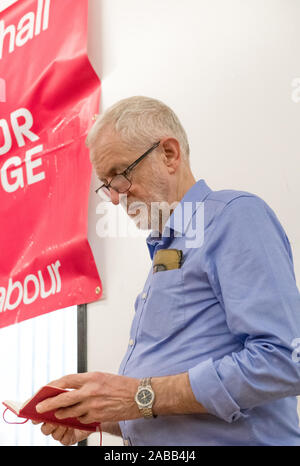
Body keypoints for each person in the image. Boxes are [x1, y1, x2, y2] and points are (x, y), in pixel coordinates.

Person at [33, 96, 300, 446]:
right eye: (106, 185)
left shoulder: (234, 217)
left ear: (169, 154)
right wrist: (100, 415)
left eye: (120, 175)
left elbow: (284, 358)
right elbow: (161, 409)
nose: (115, 197)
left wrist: (137, 396)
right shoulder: (166, 250)